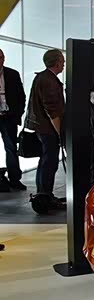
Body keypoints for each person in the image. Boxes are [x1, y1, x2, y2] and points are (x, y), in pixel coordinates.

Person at [24, 49, 66, 210]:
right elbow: (52, 111)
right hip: (47, 130)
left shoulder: (43, 77)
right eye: (62, 61)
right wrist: (60, 133)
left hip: (42, 128)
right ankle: (45, 196)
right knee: (49, 162)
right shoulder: (48, 81)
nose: (64, 64)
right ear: (57, 62)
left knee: (45, 161)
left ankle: (44, 194)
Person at [0, 48, 27, 191]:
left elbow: (21, 96)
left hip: (9, 117)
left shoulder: (12, 74)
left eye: (1, 57)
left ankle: (14, 179)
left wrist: (18, 114)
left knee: (11, 148)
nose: (0, 60)